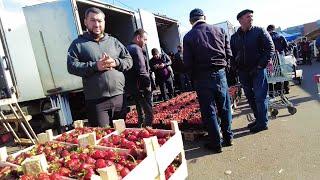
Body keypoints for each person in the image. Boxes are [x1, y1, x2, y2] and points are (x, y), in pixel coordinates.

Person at [67, 7, 133, 127]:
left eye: (100, 21)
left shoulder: (114, 41)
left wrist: (116, 62)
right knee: (103, 138)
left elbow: (129, 60)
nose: (97, 24)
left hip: (119, 97)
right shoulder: (78, 44)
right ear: (85, 22)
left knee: (122, 134)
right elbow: (71, 66)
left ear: (104, 22)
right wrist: (95, 66)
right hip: (96, 102)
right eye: (92, 20)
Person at [183, 8, 233, 153]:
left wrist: (193, 78)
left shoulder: (188, 37)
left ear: (191, 21)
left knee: (209, 110)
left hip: (202, 77)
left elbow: (188, 63)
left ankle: (216, 143)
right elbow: (228, 53)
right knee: (224, 107)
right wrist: (224, 69)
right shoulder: (219, 31)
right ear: (204, 17)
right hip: (220, 73)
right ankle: (228, 138)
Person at [230, 9, 275, 133]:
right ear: (240, 20)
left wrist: (260, 66)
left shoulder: (259, 31)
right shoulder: (234, 37)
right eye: (248, 16)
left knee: (260, 97)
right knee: (250, 96)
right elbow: (231, 54)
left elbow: (270, 49)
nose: (251, 18)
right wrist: (235, 67)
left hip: (258, 70)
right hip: (243, 72)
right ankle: (259, 119)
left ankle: (263, 123)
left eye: (251, 16)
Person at [125, 29, 153, 127]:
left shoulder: (127, 48)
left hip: (133, 86)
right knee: (149, 112)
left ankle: (140, 126)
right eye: (144, 39)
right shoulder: (136, 49)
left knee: (139, 108)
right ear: (138, 38)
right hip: (141, 85)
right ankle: (147, 131)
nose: (145, 42)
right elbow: (141, 69)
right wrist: (148, 84)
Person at [267, 24, 290, 94]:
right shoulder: (280, 36)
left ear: (268, 30)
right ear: (274, 29)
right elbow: (286, 46)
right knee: (283, 72)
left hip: (271, 58)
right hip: (281, 55)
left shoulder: (267, 37)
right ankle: (286, 88)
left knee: (272, 74)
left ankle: (275, 89)